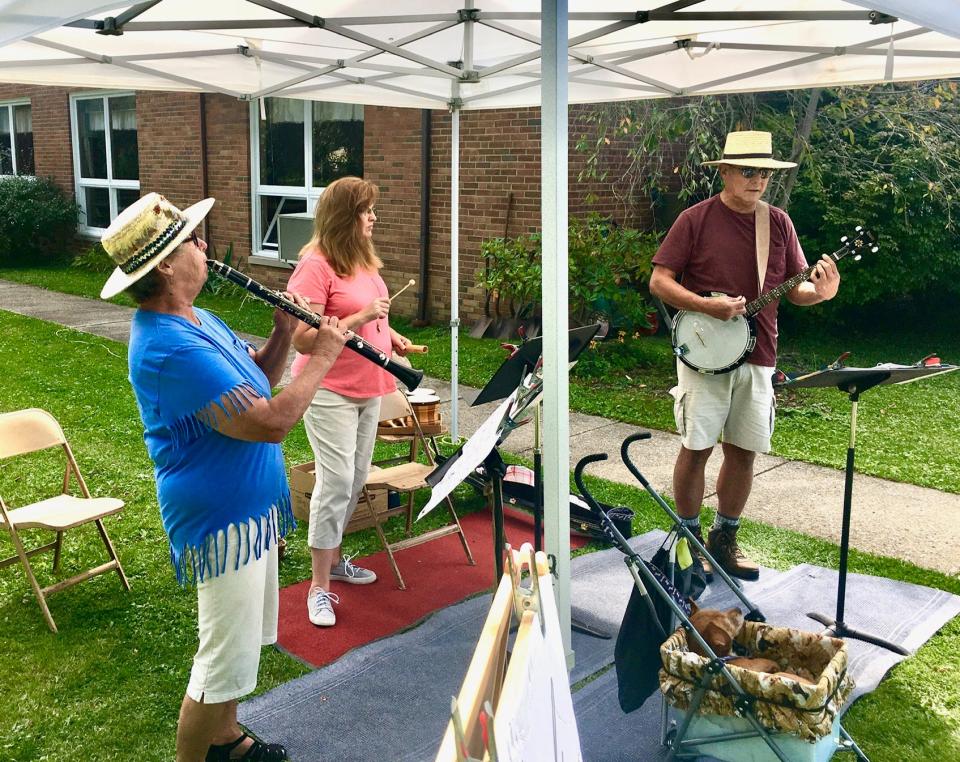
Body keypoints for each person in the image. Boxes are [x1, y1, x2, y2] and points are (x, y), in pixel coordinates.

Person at [100, 193, 346, 762]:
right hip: (220, 516)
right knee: (218, 661)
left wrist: (284, 335)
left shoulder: (198, 318)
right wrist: (324, 357)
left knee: (240, 650)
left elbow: (254, 379)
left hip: (250, 506)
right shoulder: (167, 346)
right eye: (192, 239)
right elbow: (270, 421)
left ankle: (226, 742)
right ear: (164, 264)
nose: (205, 245)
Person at [649, 130, 840, 581]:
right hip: (705, 354)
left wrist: (823, 294)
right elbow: (660, 281)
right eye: (749, 171)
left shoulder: (778, 223)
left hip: (760, 354)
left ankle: (724, 539)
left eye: (764, 173)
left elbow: (798, 290)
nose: (758, 180)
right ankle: (689, 541)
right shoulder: (695, 219)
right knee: (696, 448)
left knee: (744, 452)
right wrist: (706, 305)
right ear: (727, 172)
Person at [286, 176, 411, 628]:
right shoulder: (315, 267)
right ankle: (318, 587)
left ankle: (336, 562)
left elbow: (376, 317)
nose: (374, 217)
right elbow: (301, 339)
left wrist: (393, 337)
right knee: (336, 481)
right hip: (329, 390)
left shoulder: (362, 261)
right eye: (366, 210)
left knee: (357, 479)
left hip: (368, 386)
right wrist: (359, 317)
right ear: (345, 217)